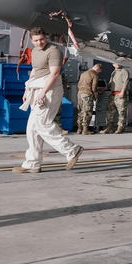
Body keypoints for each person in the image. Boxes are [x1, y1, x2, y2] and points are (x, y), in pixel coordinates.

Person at [12, 27, 83, 173]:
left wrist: (43, 92)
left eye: (42, 39)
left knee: (43, 123)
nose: (39, 43)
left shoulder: (53, 51)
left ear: (46, 37)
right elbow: (34, 71)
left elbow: (55, 73)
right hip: (36, 88)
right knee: (32, 129)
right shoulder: (35, 51)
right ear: (31, 41)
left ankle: (72, 150)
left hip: (50, 89)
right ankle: (32, 163)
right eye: (36, 40)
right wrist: (27, 89)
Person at [101, 62, 129, 134]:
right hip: (112, 94)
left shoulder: (124, 71)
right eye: (116, 63)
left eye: (119, 63)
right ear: (113, 64)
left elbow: (126, 82)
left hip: (120, 94)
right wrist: (105, 88)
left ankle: (120, 127)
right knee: (109, 111)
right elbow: (111, 82)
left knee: (121, 112)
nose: (118, 64)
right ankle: (109, 128)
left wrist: (122, 92)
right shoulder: (113, 72)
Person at [76, 63, 104, 134]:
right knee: (87, 112)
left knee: (80, 111)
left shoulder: (83, 73)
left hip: (80, 94)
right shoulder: (94, 74)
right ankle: (85, 129)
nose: (98, 73)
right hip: (88, 94)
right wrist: (95, 93)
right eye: (99, 71)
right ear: (98, 69)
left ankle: (79, 129)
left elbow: (78, 84)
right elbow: (94, 87)